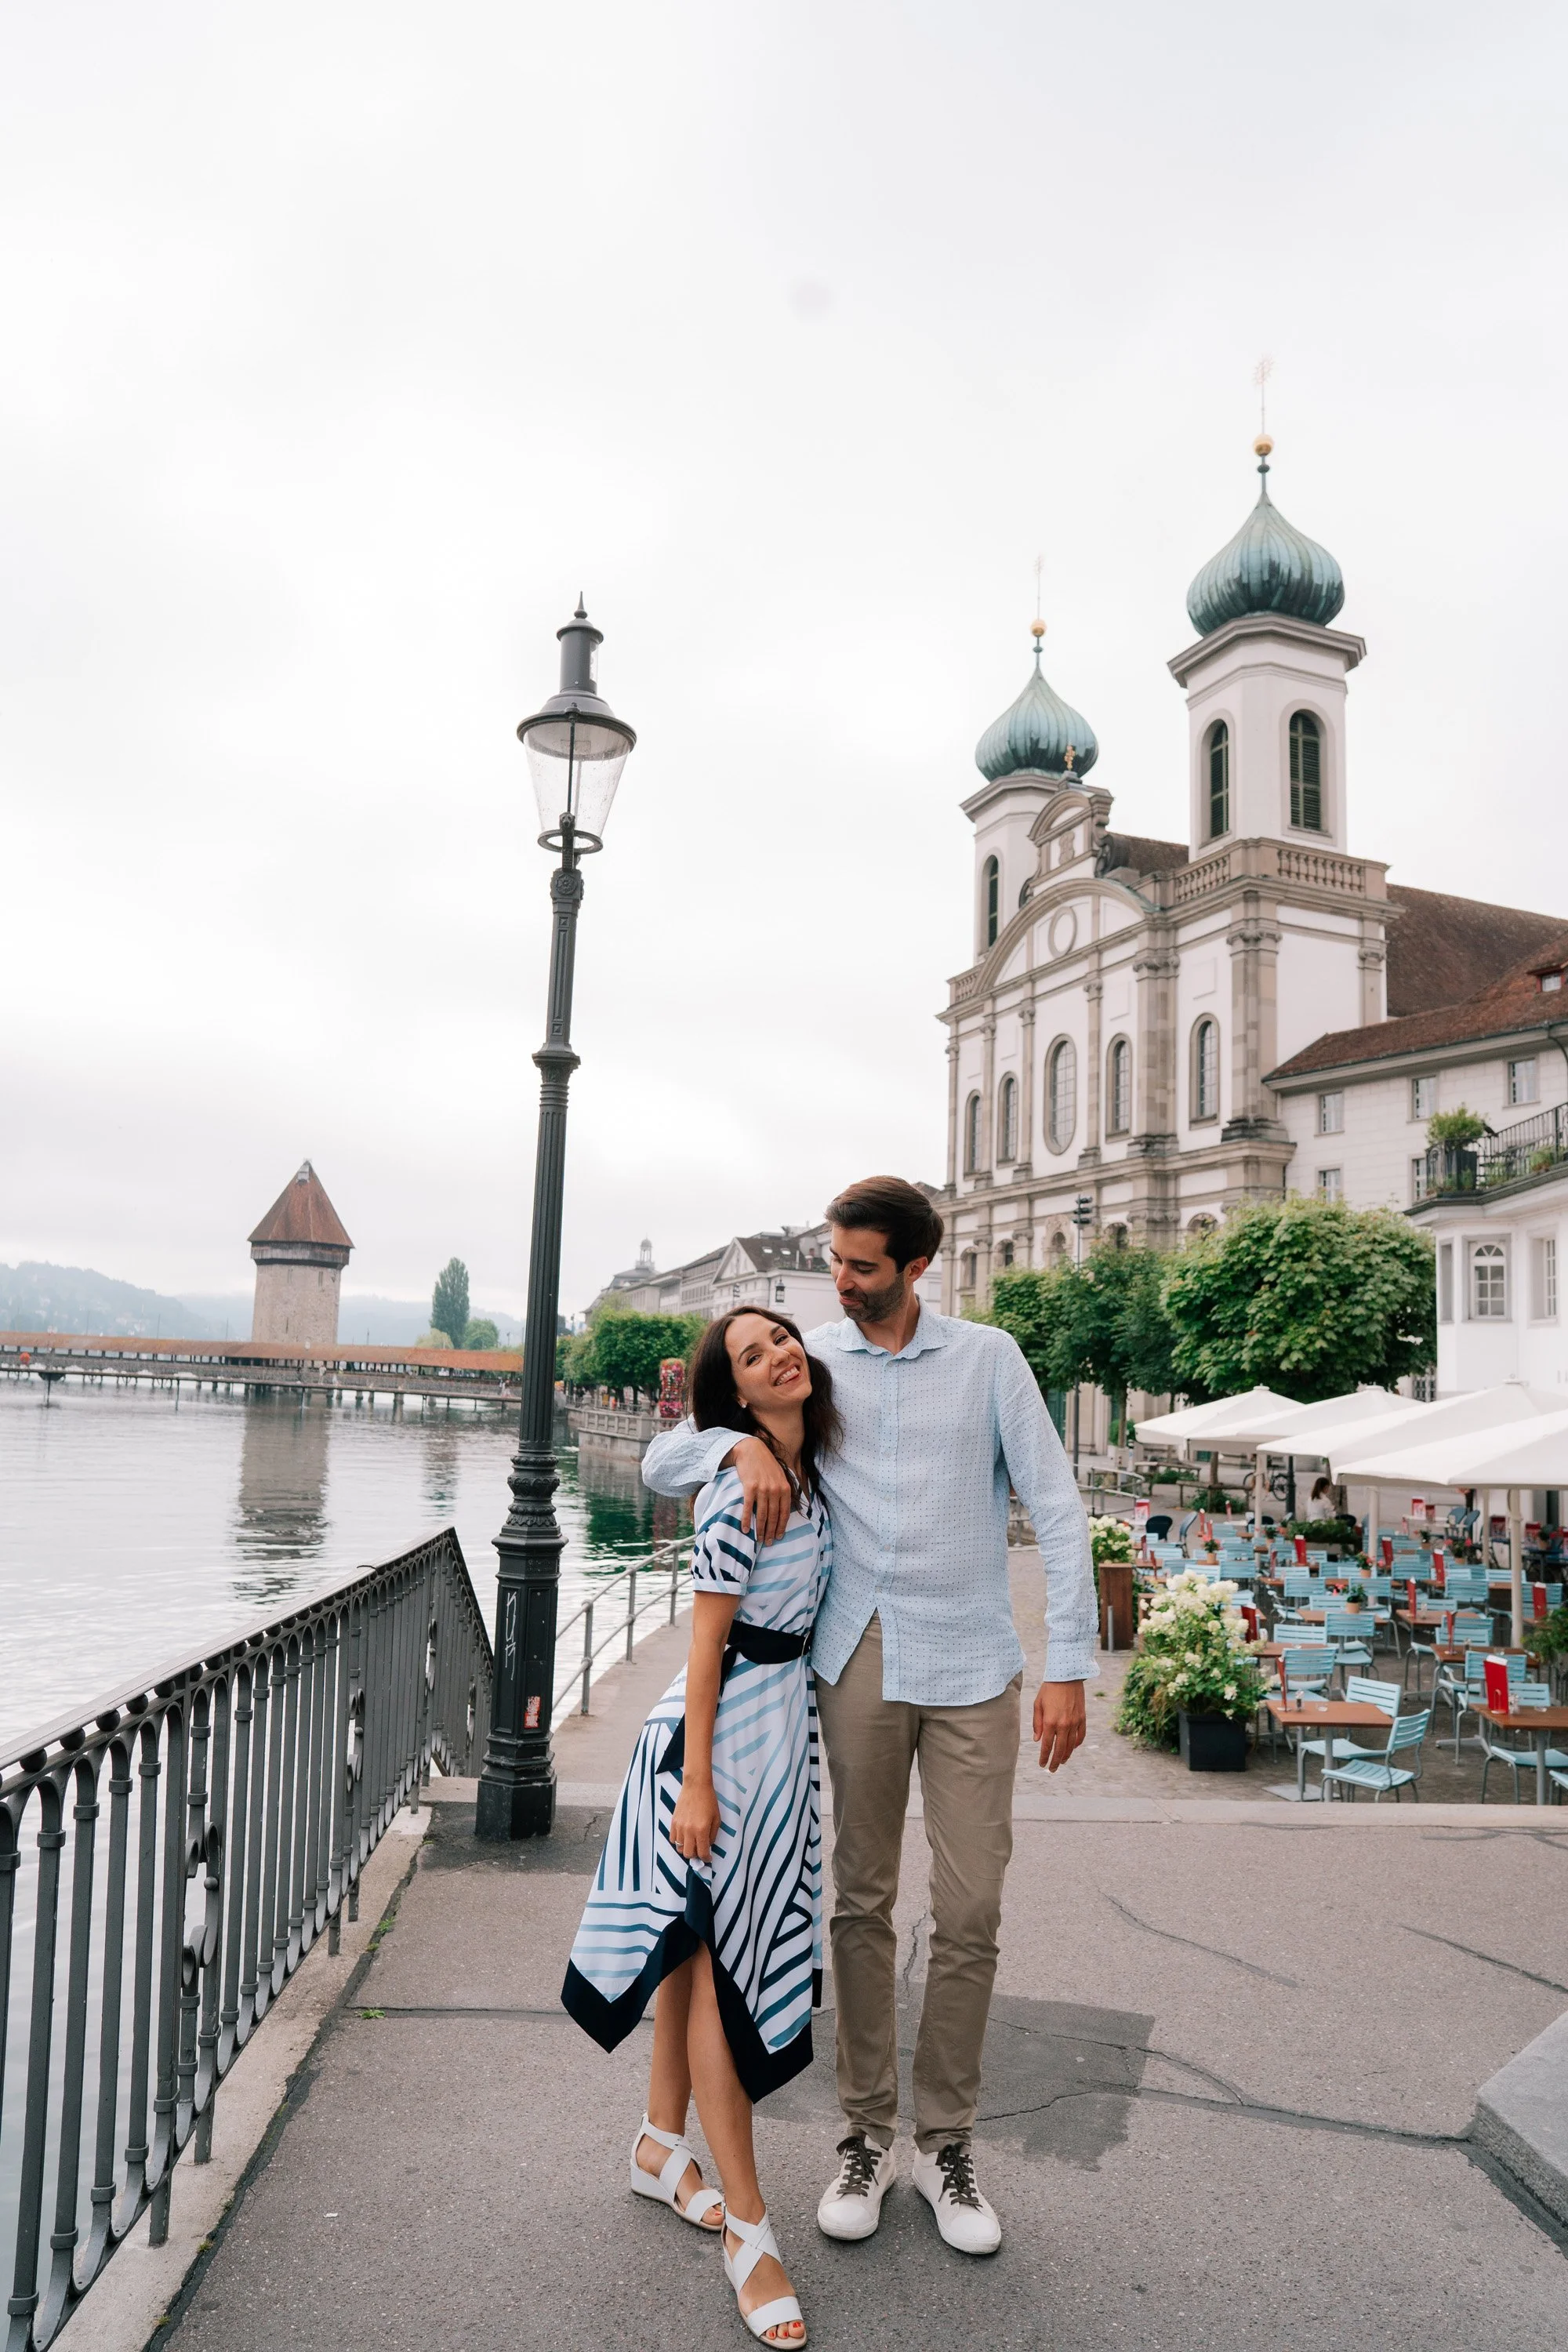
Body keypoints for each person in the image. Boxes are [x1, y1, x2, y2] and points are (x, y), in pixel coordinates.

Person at [644, 1176, 1095, 2259]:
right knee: (857, 1901)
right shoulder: (817, 1367)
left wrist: (1069, 1664)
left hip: (976, 1661)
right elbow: (673, 1450)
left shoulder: (989, 1360)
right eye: (835, 1265)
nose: (838, 1286)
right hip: (853, 1658)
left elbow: (1060, 1502)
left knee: (971, 1908)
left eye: (859, 1268)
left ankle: (944, 2143)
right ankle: (865, 2133)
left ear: (914, 1266)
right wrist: (736, 1448)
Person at [563, 1307, 839, 2347]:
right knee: (725, 1979)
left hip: (769, 1747)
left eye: (782, 1338)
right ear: (738, 1393)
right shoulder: (744, 1482)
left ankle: (654, 2146)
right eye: (752, 1354)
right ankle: (753, 2237)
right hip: (714, 1751)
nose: (779, 1354)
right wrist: (697, 1786)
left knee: (691, 1954)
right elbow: (705, 1641)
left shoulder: (809, 1471)